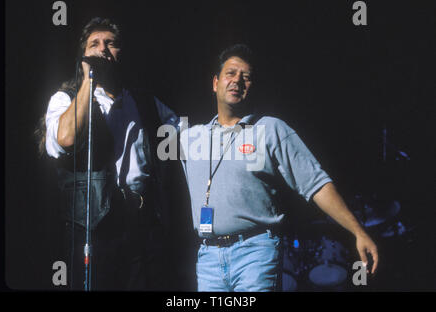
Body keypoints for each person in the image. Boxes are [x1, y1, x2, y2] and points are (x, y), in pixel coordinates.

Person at [179, 44, 378, 292]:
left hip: (255, 253)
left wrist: (358, 231)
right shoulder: (190, 137)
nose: (237, 81)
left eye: (246, 77)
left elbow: (316, 183)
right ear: (215, 83)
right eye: (231, 73)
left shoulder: (270, 129)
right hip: (208, 257)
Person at [42, 17, 181, 290]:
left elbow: (181, 138)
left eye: (110, 43)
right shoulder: (64, 99)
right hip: (94, 227)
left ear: (121, 53)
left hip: (141, 226)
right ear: (83, 55)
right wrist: (87, 81)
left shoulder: (144, 102)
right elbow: (67, 138)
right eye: (94, 44)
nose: (103, 49)